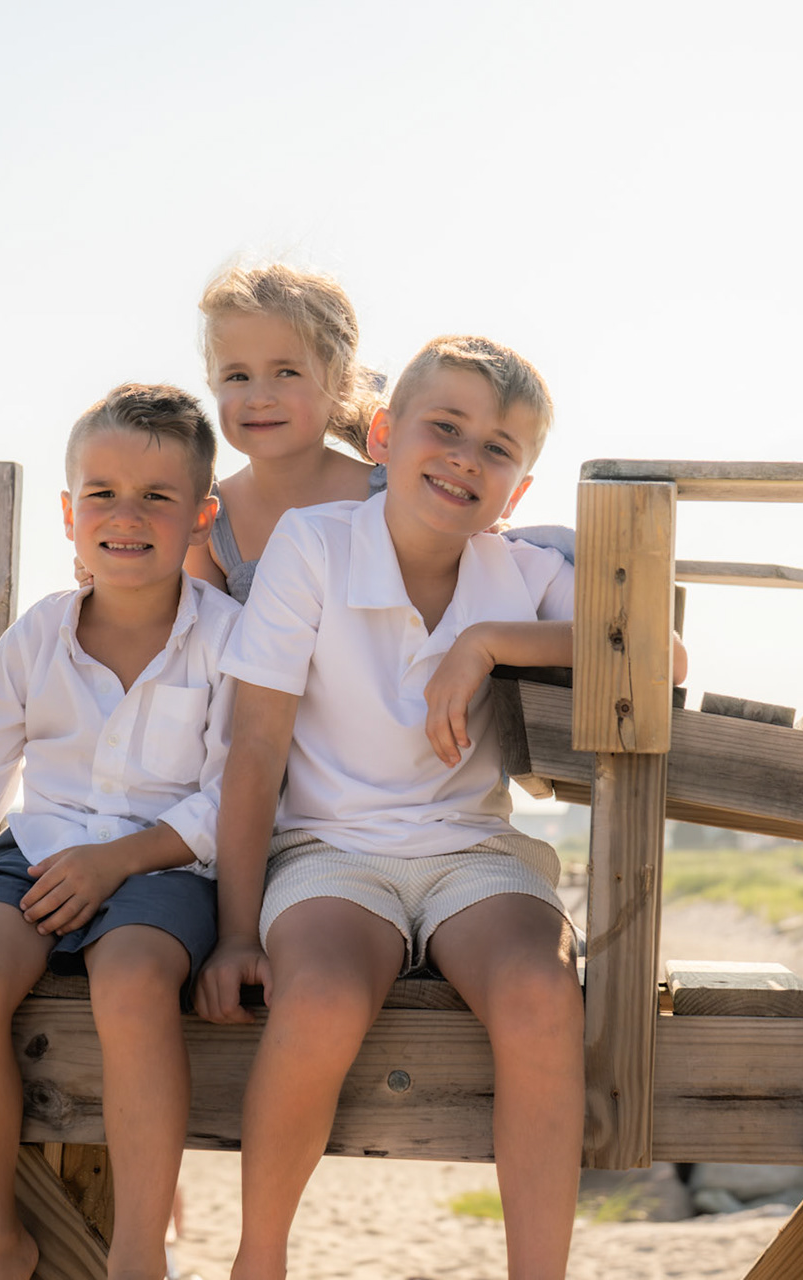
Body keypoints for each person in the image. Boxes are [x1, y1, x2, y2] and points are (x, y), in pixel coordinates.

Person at [195, 336, 686, 1280]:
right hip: (329, 852)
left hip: (474, 854)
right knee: (321, 997)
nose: (466, 458)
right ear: (383, 436)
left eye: (497, 449)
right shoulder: (315, 545)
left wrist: (488, 642)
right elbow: (253, 751)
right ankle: (260, 1261)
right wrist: (235, 934)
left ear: (518, 490)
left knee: (542, 994)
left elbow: (660, 654)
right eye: (445, 428)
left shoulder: (521, 572)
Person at [0, 383, 238, 1280]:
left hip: (166, 866)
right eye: (102, 494)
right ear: (70, 514)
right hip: (35, 853)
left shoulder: (228, 639)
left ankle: (139, 1253)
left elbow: (239, 796)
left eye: (157, 496)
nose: (126, 516)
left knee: (134, 981)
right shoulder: (37, 638)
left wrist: (118, 861)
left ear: (201, 516)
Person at [189, 260, 387, 603]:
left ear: (341, 382)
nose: (259, 398)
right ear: (213, 384)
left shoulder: (391, 498)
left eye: (286, 373)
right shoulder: (209, 521)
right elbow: (201, 631)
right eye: (237, 376)